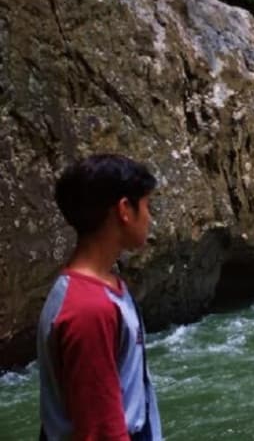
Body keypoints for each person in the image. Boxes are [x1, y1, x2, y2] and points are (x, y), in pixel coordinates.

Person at [37, 154, 163, 441]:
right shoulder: (88, 310)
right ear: (124, 210)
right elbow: (100, 431)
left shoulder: (104, 287)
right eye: (147, 205)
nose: (150, 217)